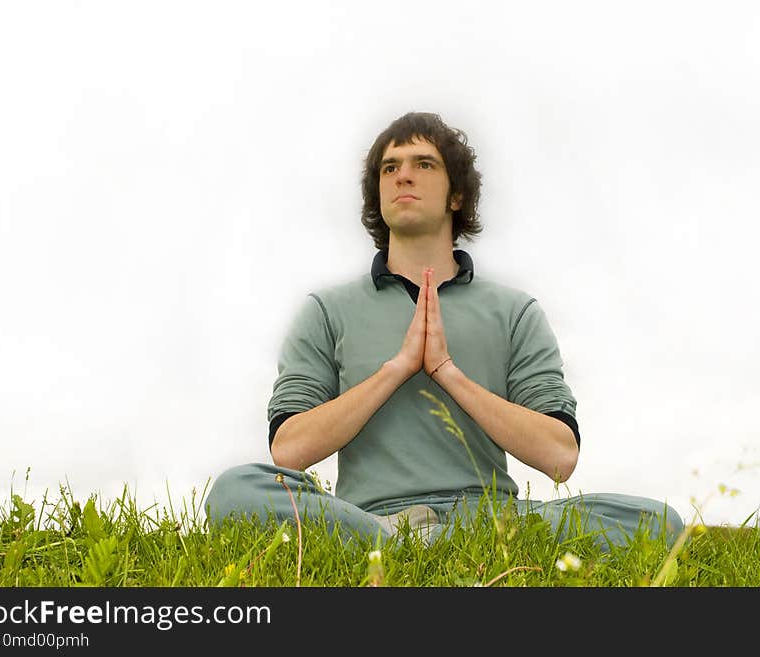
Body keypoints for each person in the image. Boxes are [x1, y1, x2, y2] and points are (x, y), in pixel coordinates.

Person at [205, 111, 684, 550]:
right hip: (370, 518)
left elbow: (560, 457)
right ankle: (397, 544)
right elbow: (289, 448)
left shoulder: (515, 311)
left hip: (492, 518)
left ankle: (426, 550)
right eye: (389, 169)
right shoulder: (327, 310)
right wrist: (397, 368)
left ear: (457, 194)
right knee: (235, 491)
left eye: (423, 164)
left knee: (658, 523)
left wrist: (446, 371)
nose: (403, 176)